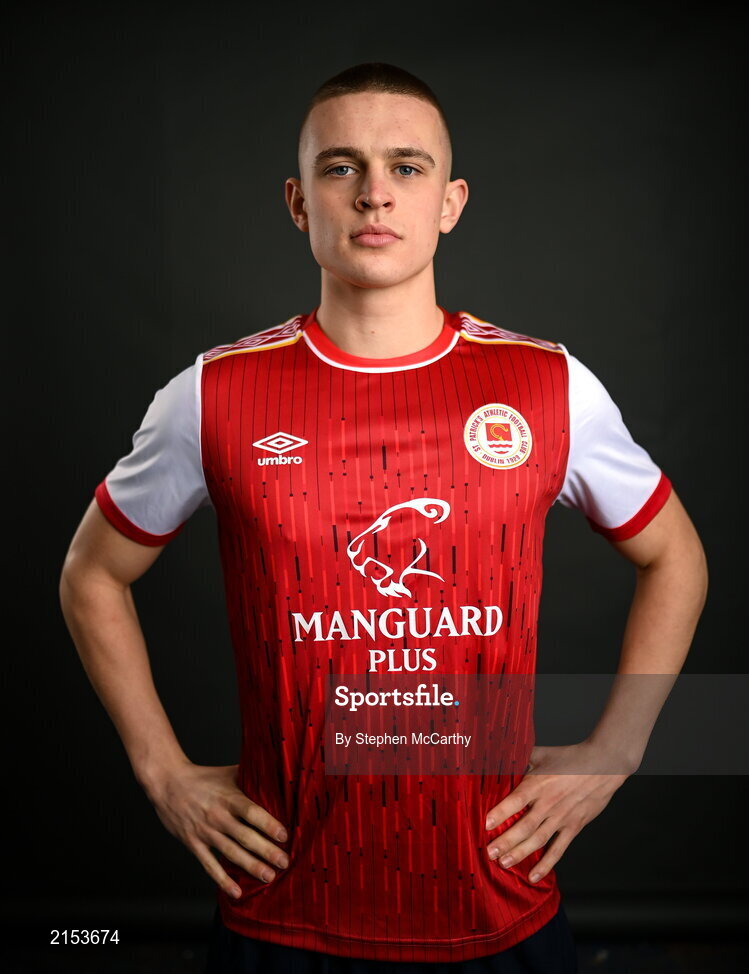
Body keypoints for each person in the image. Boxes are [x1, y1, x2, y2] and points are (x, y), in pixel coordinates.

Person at [59, 62, 708, 973]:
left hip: (497, 906)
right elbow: (91, 573)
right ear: (297, 201)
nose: (373, 195)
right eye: (340, 167)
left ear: (450, 201)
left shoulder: (547, 385)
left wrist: (618, 750)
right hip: (282, 910)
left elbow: (675, 554)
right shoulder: (213, 394)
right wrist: (163, 774)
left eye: (407, 168)